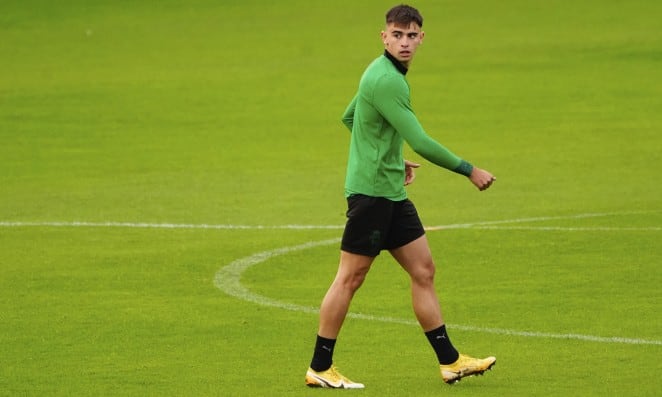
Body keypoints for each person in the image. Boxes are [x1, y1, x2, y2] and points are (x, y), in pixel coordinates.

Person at [304, 4, 497, 389]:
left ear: (421, 38)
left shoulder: (381, 73)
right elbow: (421, 140)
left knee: (423, 270)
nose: (404, 42)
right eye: (397, 35)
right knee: (349, 278)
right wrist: (469, 170)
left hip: (390, 193)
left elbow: (350, 117)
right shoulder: (387, 80)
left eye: (411, 36)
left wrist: (391, 158)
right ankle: (320, 367)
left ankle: (450, 361)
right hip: (372, 197)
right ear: (384, 36)